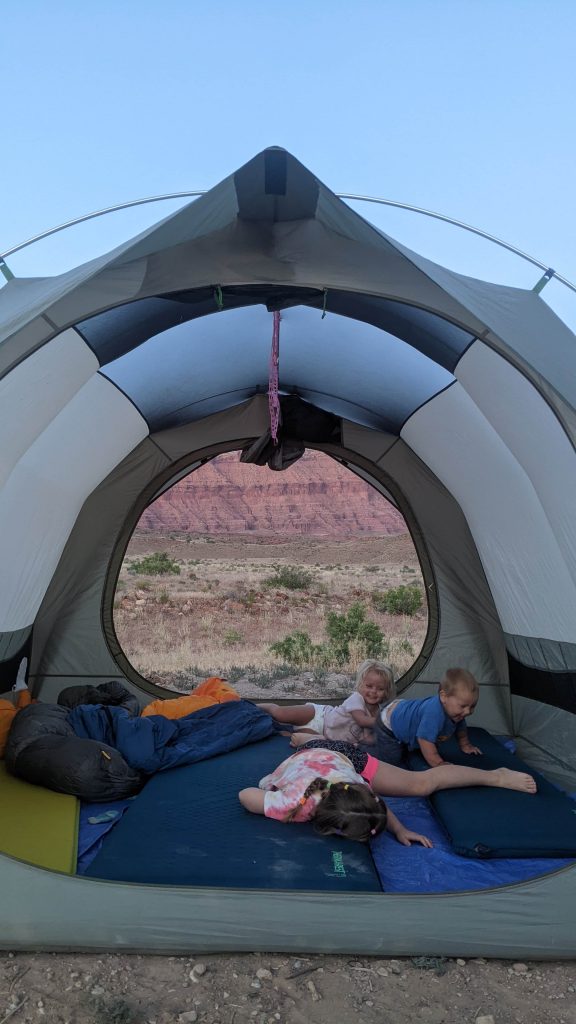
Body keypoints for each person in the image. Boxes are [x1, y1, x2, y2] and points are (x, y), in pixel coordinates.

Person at [238, 743, 432, 846]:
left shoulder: (355, 786)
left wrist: (400, 829)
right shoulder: (296, 802)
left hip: (336, 754)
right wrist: (272, 799)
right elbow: (244, 795)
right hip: (308, 754)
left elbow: (373, 803)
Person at [257, 659, 395, 746]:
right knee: (280, 713)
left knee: (296, 738)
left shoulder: (378, 711)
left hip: (324, 735)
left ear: (386, 691)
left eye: (380, 688)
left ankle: (282, 730)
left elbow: (367, 739)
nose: (373, 691)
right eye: (369, 686)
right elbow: (361, 720)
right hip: (319, 715)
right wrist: (388, 722)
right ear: (360, 685)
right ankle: (251, 706)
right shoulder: (357, 698)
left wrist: (385, 739)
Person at [375, 667, 481, 767]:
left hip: (405, 710)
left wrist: (466, 745)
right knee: (394, 761)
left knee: (414, 747)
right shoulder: (433, 714)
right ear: (444, 697)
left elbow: (461, 730)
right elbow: (424, 740)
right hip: (389, 723)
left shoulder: (458, 714)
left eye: (472, 706)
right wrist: (438, 763)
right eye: (463, 706)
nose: (468, 711)